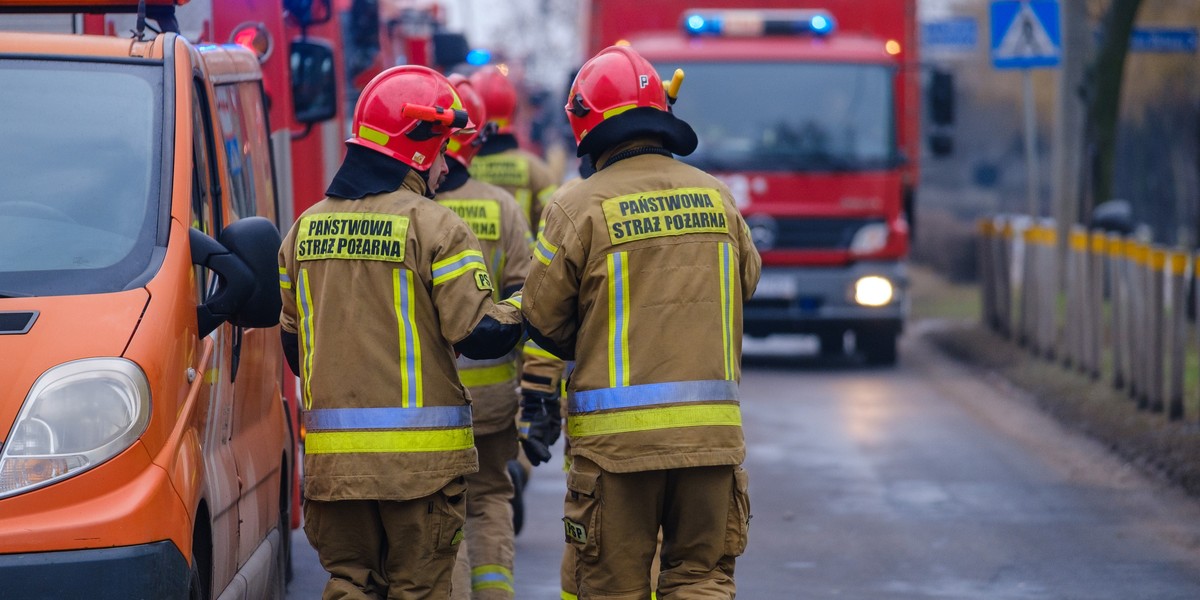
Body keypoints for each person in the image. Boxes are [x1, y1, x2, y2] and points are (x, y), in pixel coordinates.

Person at [521, 45, 762, 599]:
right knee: (701, 581)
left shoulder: (576, 206)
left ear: (584, 123)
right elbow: (745, 285)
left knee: (610, 588)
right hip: (710, 443)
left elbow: (543, 321)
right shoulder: (718, 198)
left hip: (616, 456)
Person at [277, 64, 523, 600]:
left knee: (350, 585)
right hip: (420, 472)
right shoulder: (436, 227)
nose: (444, 166)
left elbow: (296, 351)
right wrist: (530, 302)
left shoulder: (304, 228)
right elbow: (480, 335)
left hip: (334, 472)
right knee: (421, 588)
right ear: (417, 148)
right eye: (440, 149)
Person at [436, 74, 531, 600]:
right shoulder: (501, 208)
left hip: (425, 400)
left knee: (440, 511)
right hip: (492, 397)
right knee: (490, 496)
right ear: (473, 140)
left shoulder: (410, 215)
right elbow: (527, 299)